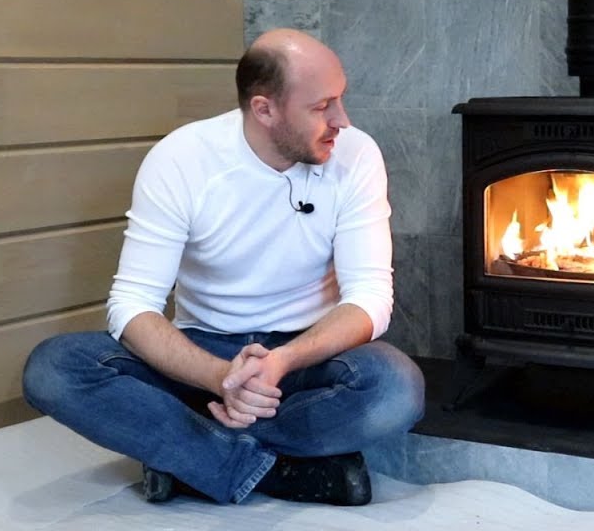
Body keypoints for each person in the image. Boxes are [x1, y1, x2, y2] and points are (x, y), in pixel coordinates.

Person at [21, 28, 425, 507]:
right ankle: (268, 468)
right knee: (54, 368)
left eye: (340, 99)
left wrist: (282, 361)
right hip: (201, 355)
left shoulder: (356, 155)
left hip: (305, 357)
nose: (342, 120)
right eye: (322, 107)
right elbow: (131, 305)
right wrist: (220, 378)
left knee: (395, 388)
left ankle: (191, 456)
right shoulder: (182, 159)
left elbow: (370, 297)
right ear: (264, 109)